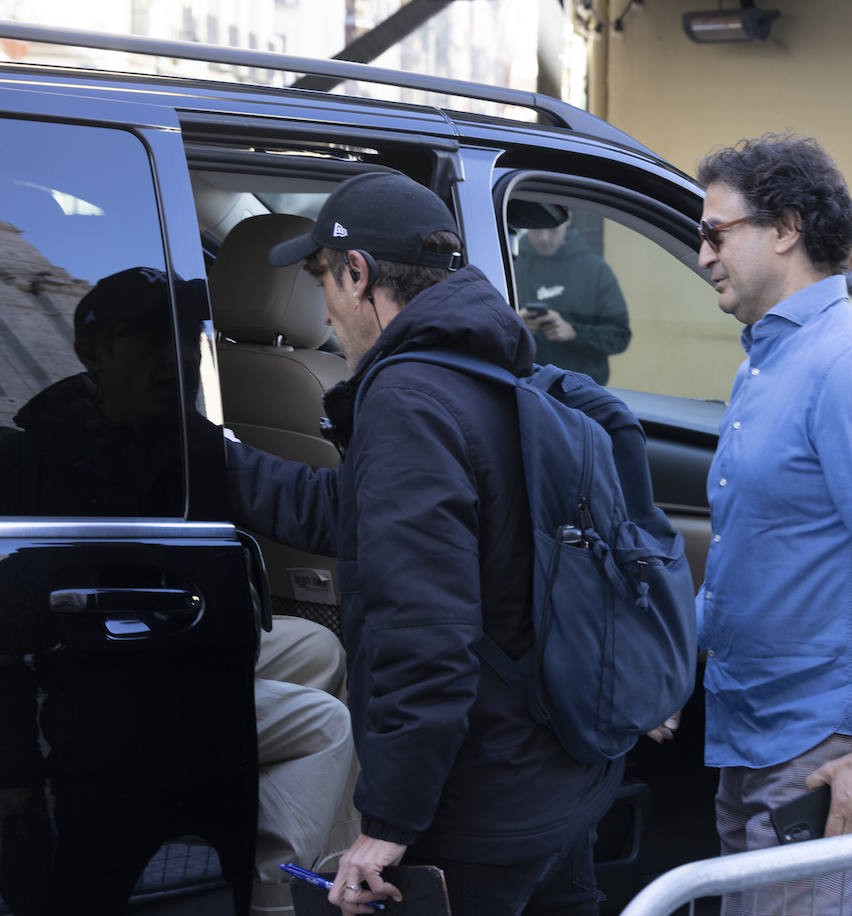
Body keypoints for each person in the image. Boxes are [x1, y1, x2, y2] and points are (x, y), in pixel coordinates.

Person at [224, 171, 621, 915]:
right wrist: (209, 460)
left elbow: (425, 629)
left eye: (323, 283)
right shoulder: (487, 370)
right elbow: (354, 512)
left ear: (358, 273)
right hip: (554, 775)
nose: (326, 313)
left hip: (480, 809)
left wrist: (389, 822)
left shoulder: (408, 401)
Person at [0, 267, 355, 914]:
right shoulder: (36, 460)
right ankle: (274, 893)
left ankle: (296, 851)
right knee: (326, 725)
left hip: (160, 655)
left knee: (317, 647)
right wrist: (18, 769)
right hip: (98, 691)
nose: (173, 359)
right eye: (144, 339)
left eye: (185, 340)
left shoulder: (185, 440)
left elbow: (313, 512)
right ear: (92, 353)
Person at [688, 135, 852, 916]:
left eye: (716, 233)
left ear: (786, 228)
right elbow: (756, 553)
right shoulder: (767, 360)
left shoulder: (846, 366)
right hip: (752, 729)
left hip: (819, 745)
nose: (704, 256)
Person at [514, 215, 630, 384]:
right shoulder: (509, 263)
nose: (544, 238)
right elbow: (486, 329)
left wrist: (574, 332)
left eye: (552, 229)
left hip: (582, 394)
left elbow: (620, 337)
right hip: (523, 387)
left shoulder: (595, 269)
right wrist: (515, 324)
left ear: (567, 218)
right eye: (536, 229)